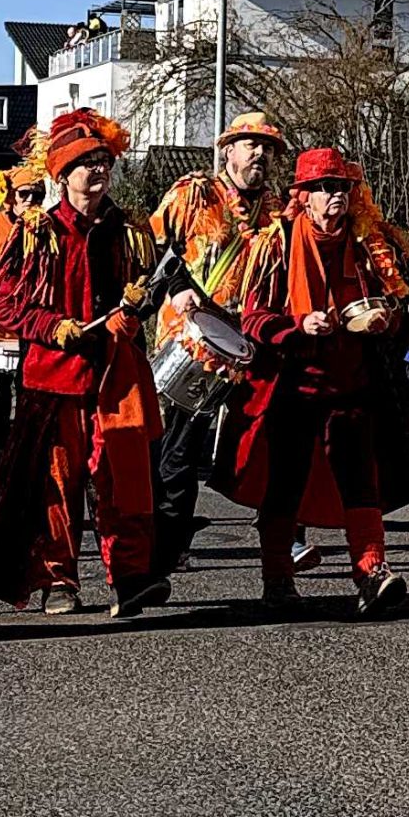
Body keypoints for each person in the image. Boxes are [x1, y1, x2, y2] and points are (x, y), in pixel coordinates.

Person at [0, 108, 170, 619]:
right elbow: (1, 302)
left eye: (104, 161)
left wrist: (135, 312)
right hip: (53, 379)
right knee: (58, 487)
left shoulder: (130, 232)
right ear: (63, 174)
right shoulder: (37, 232)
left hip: (115, 378)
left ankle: (129, 579)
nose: (98, 171)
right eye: (87, 163)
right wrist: (51, 325)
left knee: (121, 481)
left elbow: (149, 294)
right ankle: (58, 579)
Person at [211, 148, 409, 618]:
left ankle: (371, 572)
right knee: (284, 483)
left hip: (353, 381)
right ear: (302, 197)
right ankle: (278, 578)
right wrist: (298, 325)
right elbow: (254, 319)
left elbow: (395, 305)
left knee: (361, 479)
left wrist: (385, 319)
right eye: (324, 188)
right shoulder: (276, 242)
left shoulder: (369, 242)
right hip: (291, 384)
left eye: (341, 188)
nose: (334, 197)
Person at [147, 110, 287, 578]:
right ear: (227, 150)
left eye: (268, 148)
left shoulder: (277, 210)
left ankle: (280, 537)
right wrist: (175, 287)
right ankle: (165, 542)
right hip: (186, 335)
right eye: (251, 145)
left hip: (241, 344)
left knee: (230, 441)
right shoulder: (195, 192)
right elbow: (153, 248)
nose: (261, 155)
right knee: (174, 445)